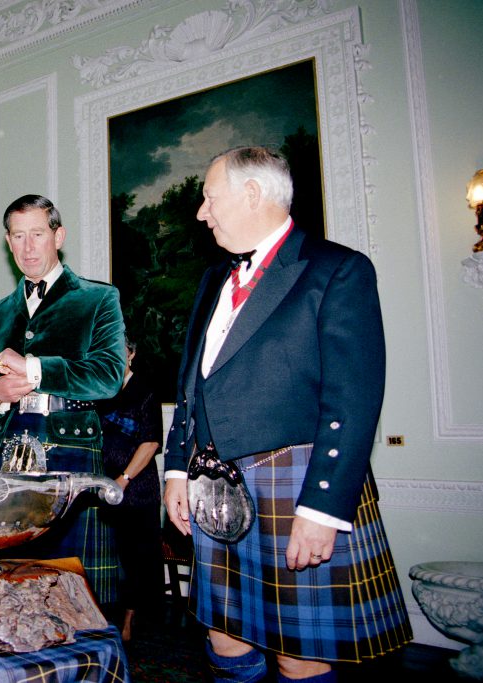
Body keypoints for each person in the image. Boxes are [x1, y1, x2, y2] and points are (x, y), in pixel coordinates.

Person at [162, 147, 412, 682]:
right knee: (223, 634)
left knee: (299, 651)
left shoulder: (337, 270)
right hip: (214, 484)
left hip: (294, 486)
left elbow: (354, 398)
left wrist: (323, 508)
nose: (202, 213)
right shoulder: (212, 280)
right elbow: (191, 386)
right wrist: (178, 468)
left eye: (209, 198)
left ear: (252, 194)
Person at [0, 194, 126, 605]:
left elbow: (108, 377)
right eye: (18, 236)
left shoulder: (98, 299)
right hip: (5, 455)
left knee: (76, 593)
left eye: (37, 234)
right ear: (8, 242)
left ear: (59, 235)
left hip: (71, 452)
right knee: (6, 587)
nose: (28, 246)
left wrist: (35, 369)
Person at [97, 334, 163, 641]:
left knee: (135, 558)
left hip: (136, 489)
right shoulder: (102, 390)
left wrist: (123, 479)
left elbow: (150, 443)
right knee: (111, 556)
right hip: (104, 486)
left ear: (131, 353)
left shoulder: (146, 389)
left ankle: (130, 623)